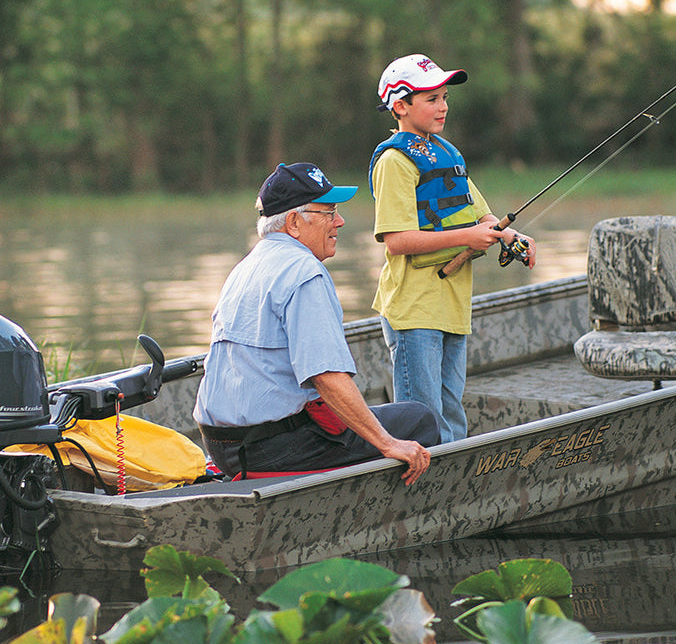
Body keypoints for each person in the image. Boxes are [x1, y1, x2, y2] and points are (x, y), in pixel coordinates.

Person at [194, 162, 439, 485]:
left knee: (370, 418)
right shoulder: (304, 273)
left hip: (221, 444)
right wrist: (388, 443)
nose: (340, 221)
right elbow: (326, 376)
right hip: (267, 448)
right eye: (329, 212)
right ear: (294, 222)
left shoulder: (247, 265)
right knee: (419, 420)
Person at [369, 53, 538, 443]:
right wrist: (466, 238)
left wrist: (512, 238)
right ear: (400, 106)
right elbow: (397, 241)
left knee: (451, 415)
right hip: (415, 307)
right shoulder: (394, 161)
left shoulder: (447, 153)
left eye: (444, 97)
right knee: (422, 421)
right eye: (431, 99)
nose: (443, 106)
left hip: (452, 304)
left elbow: (482, 218)